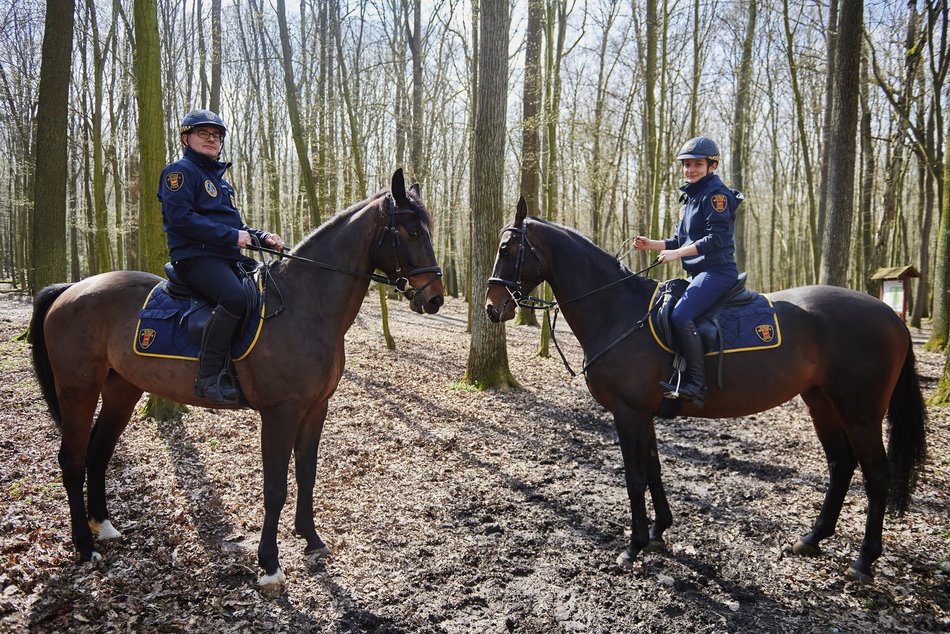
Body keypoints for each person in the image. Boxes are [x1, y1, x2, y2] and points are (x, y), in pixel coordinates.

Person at [158, 109, 285, 404]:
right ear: (186, 138)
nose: (212, 139)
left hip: (227, 258)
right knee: (234, 298)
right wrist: (232, 237)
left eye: (216, 136)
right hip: (195, 258)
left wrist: (261, 236)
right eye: (204, 133)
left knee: (266, 289)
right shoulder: (179, 172)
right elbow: (181, 219)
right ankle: (209, 377)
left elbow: (235, 226)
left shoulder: (219, 180)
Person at [633, 135, 742, 407]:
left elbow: (715, 240)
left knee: (681, 315)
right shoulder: (692, 195)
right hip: (698, 273)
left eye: (697, 164)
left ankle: (696, 384)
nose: (690, 170)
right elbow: (681, 240)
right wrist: (652, 245)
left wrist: (676, 254)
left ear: (711, 166)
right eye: (687, 165)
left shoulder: (717, 195)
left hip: (718, 271)